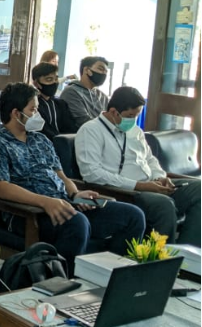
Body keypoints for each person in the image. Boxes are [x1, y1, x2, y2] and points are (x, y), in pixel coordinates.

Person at [0, 83, 145, 270]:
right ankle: (61, 283)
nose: (38, 115)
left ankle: (109, 276)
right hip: (31, 213)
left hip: (64, 203)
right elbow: (2, 188)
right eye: (33, 110)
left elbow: (61, 175)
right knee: (77, 223)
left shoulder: (40, 139)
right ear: (16, 113)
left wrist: (75, 194)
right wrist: (46, 202)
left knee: (133, 216)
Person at [76, 86, 200, 246]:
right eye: (130, 116)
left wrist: (160, 177)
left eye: (137, 115)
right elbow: (91, 173)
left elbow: (149, 159)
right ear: (114, 112)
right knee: (163, 205)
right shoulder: (91, 131)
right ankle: (161, 260)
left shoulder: (135, 131)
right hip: (126, 192)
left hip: (151, 184)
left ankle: (187, 253)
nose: (133, 121)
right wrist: (141, 186)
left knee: (199, 189)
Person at [59, 56, 110, 131]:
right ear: (86, 70)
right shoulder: (71, 92)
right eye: (100, 69)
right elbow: (84, 121)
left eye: (106, 72)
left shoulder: (103, 96)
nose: (104, 74)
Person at [31, 63, 75, 141]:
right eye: (49, 79)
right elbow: (44, 131)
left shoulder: (61, 104)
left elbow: (70, 128)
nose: (54, 83)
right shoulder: (33, 106)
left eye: (56, 79)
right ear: (36, 83)